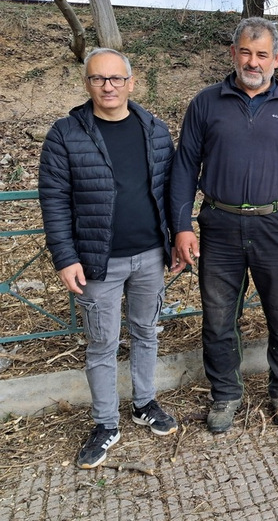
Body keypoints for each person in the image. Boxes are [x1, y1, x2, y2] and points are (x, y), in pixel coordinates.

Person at [171, 17, 278, 433]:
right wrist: (181, 225)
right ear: (233, 54)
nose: (252, 62)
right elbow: (185, 167)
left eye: (261, 54)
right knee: (219, 317)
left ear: (277, 59)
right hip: (219, 227)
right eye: (245, 52)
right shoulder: (206, 104)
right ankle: (225, 394)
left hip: (277, 227)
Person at [38, 48, 181, 469]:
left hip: (150, 255)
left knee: (146, 331)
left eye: (116, 78)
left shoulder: (154, 130)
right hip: (97, 261)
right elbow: (54, 200)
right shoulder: (65, 134)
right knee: (101, 344)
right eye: (99, 78)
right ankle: (105, 424)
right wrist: (65, 257)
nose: (108, 86)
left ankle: (144, 404)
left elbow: (171, 190)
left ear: (131, 83)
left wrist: (177, 238)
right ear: (87, 84)